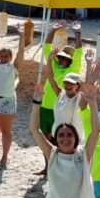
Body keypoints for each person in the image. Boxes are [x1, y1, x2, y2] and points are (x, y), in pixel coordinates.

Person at [37, 22, 83, 174]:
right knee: (45, 138)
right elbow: (47, 47)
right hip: (45, 106)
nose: (63, 60)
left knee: (59, 139)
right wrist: (53, 30)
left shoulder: (74, 69)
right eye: (61, 58)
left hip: (60, 107)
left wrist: (77, 34)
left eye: (66, 59)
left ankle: (59, 165)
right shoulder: (54, 65)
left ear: (70, 60)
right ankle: (47, 166)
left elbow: (79, 52)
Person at [0, 19, 25, 167]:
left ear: (10, 57)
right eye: (1, 55)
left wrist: (21, 36)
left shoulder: (13, 67)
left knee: (6, 130)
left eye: (6, 56)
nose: (2, 58)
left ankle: (5, 156)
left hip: (7, 100)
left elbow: (21, 52)